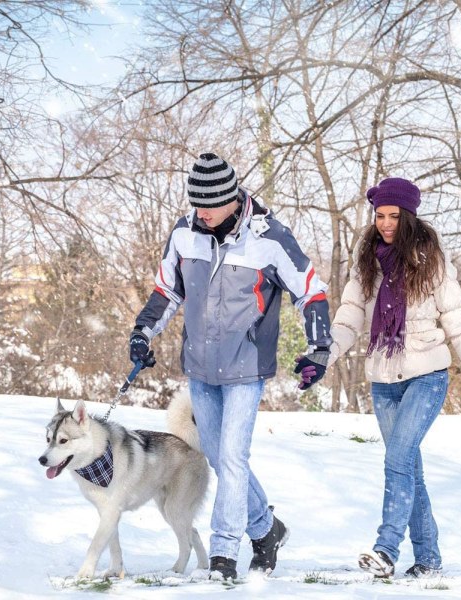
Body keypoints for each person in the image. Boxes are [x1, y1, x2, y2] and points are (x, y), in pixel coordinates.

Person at [129, 152, 332, 580]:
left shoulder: (270, 238)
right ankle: (266, 529)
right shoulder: (185, 234)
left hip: (246, 365)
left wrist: (319, 347)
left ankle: (224, 554)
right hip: (201, 367)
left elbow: (310, 291)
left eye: (209, 204)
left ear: (232, 199)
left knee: (234, 458)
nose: (200, 212)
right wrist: (142, 333)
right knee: (221, 459)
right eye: (195, 203)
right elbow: (167, 290)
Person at [324, 177, 461, 579]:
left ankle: (386, 548)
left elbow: (458, 321)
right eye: (380, 215)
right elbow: (350, 316)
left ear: (409, 216)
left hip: (426, 376)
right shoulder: (367, 259)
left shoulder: (430, 260)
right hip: (383, 379)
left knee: (398, 459)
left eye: (394, 216)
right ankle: (429, 560)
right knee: (408, 469)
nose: (385, 223)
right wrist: (324, 356)